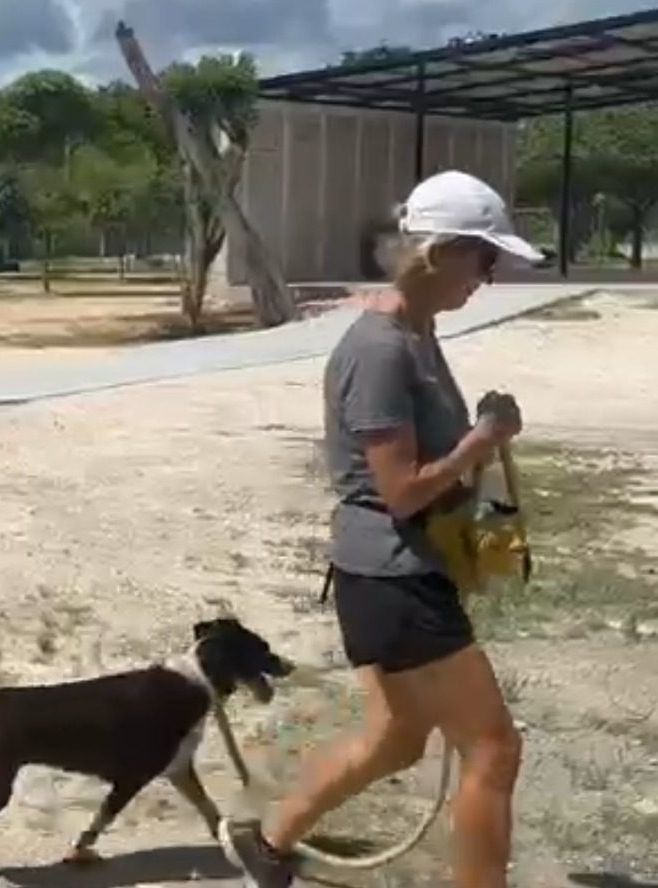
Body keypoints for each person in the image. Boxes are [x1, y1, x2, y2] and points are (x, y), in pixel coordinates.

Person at [222, 170, 541, 888]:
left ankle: (267, 844)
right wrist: (480, 441)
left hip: (392, 575)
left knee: (396, 739)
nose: (488, 277)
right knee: (493, 750)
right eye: (485, 258)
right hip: (393, 578)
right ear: (440, 253)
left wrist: (476, 438)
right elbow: (400, 492)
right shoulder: (380, 350)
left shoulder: (416, 333)